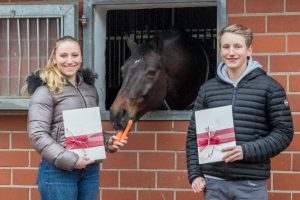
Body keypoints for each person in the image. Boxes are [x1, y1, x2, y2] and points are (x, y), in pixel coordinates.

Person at [186, 24, 294, 200]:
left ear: (249, 50)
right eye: (226, 46)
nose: (231, 52)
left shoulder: (270, 88)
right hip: (214, 185)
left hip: (250, 184)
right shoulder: (208, 90)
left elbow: (284, 133)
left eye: (238, 46)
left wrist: (246, 150)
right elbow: (193, 136)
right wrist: (195, 173)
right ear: (220, 50)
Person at [26, 35, 127, 200]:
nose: (69, 60)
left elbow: (87, 132)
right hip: (59, 172)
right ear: (54, 59)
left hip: (89, 170)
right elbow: (37, 135)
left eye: (75, 55)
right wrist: (71, 160)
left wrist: (108, 142)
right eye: (63, 55)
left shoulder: (90, 90)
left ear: (81, 58)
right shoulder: (45, 91)